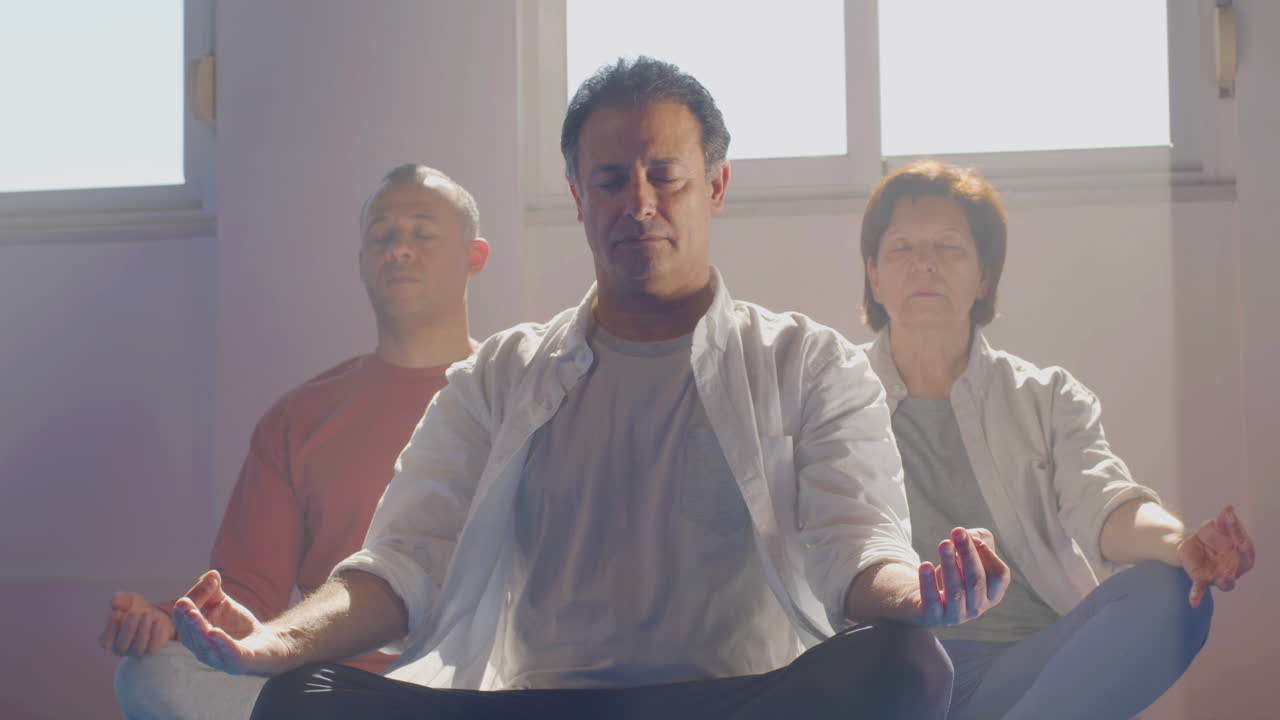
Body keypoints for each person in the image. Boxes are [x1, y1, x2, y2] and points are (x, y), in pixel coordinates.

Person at [173, 56, 1011, 720]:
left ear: (715, 185)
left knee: (906, 663)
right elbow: (401, 564)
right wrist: (278, 640)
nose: (638, 203)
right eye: (610, 180)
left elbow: (855, 546)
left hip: (735, 703)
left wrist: (920, 593)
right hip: (542, 705)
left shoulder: (808, 362)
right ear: (578, 197)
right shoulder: (497, 375)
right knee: (302, 700)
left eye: (665, 175)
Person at [857, 159, 1256, 720]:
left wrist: (1182, 543)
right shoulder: (831, 391)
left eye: (948, 246)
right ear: (874, 276)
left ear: (983, 277)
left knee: (1172, 596)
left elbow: (1104, 502)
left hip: (1026, 668)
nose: (925, 262)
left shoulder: (1045, 396)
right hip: (884, 675)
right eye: (901, 247)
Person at [99, 164, 491, 720]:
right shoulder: (300, 417)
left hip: (477, 684)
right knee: (153, 674)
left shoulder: (517, 392)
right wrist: (172, 621)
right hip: (333, 691)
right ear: (362, 262)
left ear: (474, 257)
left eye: (423, 233)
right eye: (382, 236)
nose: (399, 249)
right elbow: (247, 593)